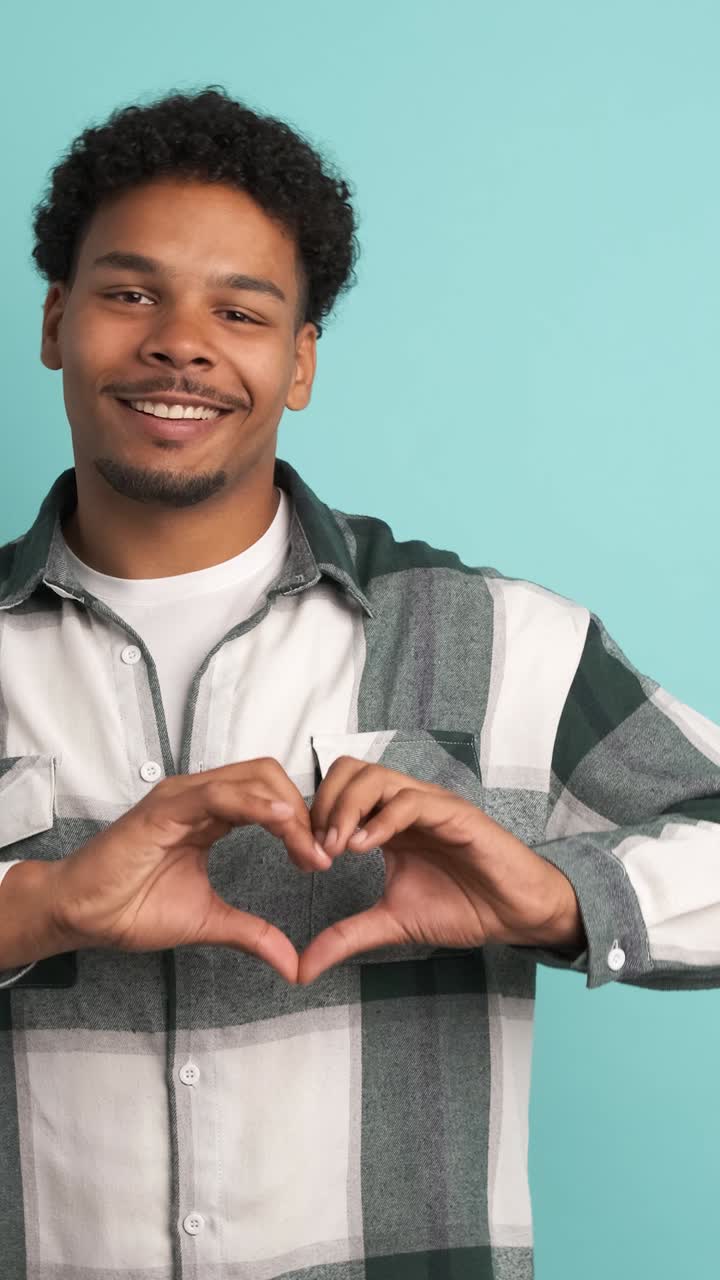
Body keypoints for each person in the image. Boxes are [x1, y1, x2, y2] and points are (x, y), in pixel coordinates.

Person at [0, 84, 718, 1280]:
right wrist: (40, 904)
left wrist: (552, 897)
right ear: (56, 320)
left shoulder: (500, 638)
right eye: (131, 294)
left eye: (241, 308)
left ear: (299, 362)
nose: (181, 339)